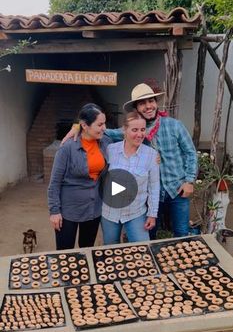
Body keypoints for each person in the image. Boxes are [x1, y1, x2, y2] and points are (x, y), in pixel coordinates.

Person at [62, 83, 198, 238]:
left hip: (177, 188)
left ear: (156, 103)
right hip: (151, 195)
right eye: (142, 103)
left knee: (181, 232)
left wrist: (189, 181)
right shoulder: (133, 129)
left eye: (151, 101)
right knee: (150, 235)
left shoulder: (175, 126)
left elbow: (190, 153)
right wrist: (78, 127)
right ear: (136, 108)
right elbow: (103, 131)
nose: (148, 106)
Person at [48, 103, 110, 250]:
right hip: (69, 211)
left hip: (93, 210)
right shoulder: (67, 148)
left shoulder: (105, 142)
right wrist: (54, 211)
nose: (104, 128)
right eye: (100, 124)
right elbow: (54, 183)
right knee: (65, 253)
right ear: (84, 125)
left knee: (87, 250)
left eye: (105, 123)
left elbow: (130, 133)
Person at [101, 111, 160, 244]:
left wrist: (152, 214)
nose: (140, 134)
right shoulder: (110, 150)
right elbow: (91, 133)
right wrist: (76, 128)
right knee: (110, 253)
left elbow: (154, 187)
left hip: (136, 212)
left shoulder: (151, 155)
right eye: (134, 130)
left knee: (143, 251)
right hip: (110, 212)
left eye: (143, 130)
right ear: (124, 130)